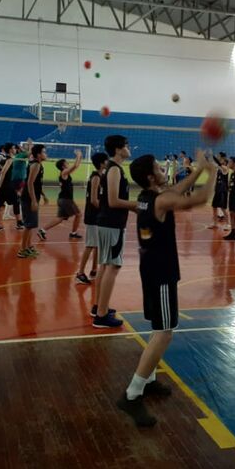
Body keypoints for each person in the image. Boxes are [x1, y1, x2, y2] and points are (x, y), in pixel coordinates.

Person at [117, 150, 217, 427]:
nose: (163, 167)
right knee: (165, 333)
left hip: (150, 270)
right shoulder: (161, 200)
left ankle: (147, 380)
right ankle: (132, 394)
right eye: (159, 166)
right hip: (161, 274)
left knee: (159, 329)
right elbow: (199, 199)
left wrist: (197, 170)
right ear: (151, 176)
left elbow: (175, 190)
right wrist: (213, 173)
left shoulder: (146, 198)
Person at [92, 135, 137, 328]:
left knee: (104, 265)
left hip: (107, 223)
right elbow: (113, 201)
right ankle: (101, 316)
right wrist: (136, 206)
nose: (129, 148)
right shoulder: (114, 170)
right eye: (127, 145)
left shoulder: (113, 169)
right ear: (118, 149)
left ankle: (98, 306)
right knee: (113, 266)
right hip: (112, 224)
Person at [75, 152, 109, 285]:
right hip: (93, 215)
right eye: (106, 161)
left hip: (98, 215)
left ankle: (94, 269)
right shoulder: (96, 177)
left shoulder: (102, 176)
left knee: (97, 245)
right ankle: (80, 273)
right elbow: (94, 200)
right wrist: (106, 209)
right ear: (102, 163)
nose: (108, 162)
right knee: (90, 244)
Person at [38, 151, 84, 241]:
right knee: (79, 214)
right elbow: (74, 166)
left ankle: (42, 230)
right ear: (63, 166)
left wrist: (80, 157)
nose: (68, 163)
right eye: (66, 163)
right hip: (66, 200)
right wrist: (78, 155)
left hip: (63, 199)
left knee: (60, 218)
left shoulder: (65, 173)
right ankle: (73, 233)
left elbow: (76, 166)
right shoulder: (64, 173)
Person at [17, 144, 48, 258]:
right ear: (39, 154)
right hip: (29, 198)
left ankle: (28, 247)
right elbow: (29, 183)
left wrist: (43, 195)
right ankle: (22, 250)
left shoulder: (36, 163)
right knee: (28, 225)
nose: (46, 154)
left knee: (31, 224)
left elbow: (36, 184)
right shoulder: (36, 165)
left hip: (31, 196)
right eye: (44, 152)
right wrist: (34, 201)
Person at [0, 143, 22, 231]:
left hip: (5, 186)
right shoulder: (9, 160)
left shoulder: (6, 159)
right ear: (10, 150)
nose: (15, 149)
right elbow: (2, 173)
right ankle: (19, 223)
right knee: (16, 202)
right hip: (8, 186)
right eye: (13, 148)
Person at [207, 152, 229, 229]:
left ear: (224, 161)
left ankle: (228, 224)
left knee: (223, 208)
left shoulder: (225, 168)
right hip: (218, 190)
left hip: (223, 191)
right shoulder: (219, 170)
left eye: (220, 157)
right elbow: (216, 165)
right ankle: (215, 224)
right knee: (214, 206)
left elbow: (219, 164)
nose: (219, 158)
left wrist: (213, 157)